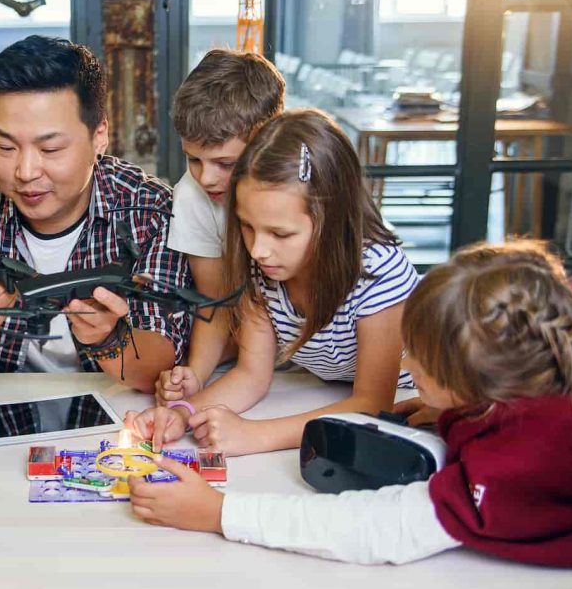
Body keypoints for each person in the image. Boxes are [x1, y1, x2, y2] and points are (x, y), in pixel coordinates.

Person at [127, 240, 572, 568]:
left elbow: (379, 527)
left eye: (420, 361)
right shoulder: (559, 318)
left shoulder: (527, 459)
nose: (404, 361)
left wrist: (218, 513)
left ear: (479, 393)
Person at [0, 35, 190, 395]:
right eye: (5, 146)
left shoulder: (150, 212)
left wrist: (111, 339)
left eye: (50, 148)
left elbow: (161, 367)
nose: (26, 171)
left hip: (115, 421)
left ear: (99, 136)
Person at [138, 109, 417, 455]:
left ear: (332, 219)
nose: (258, 250)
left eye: (280, 233)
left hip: (411, 401)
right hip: (325, 394)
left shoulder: (379, 271)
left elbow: (374, 403)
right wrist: (183, 412)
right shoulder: (263, 269)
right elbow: (251, 376)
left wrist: (255, 435)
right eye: (247, 226)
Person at [163, 49, 285, 389]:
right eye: (194, 160)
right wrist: (196, 376)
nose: (206, 179)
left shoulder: (303, 188)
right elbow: (216, 302)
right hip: (251, 357)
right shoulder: (190, 194)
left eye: (225, 164)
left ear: (269, 139)